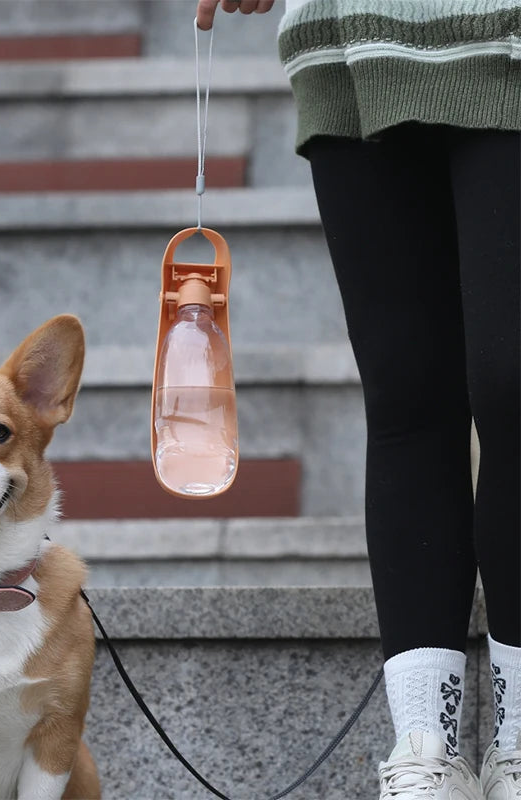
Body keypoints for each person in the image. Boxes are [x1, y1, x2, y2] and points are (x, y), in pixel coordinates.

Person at [196, 1, 521, 798]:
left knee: (513, 382)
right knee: (407, 396)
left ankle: (518, 739)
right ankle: (426, 746)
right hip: (351, 37)